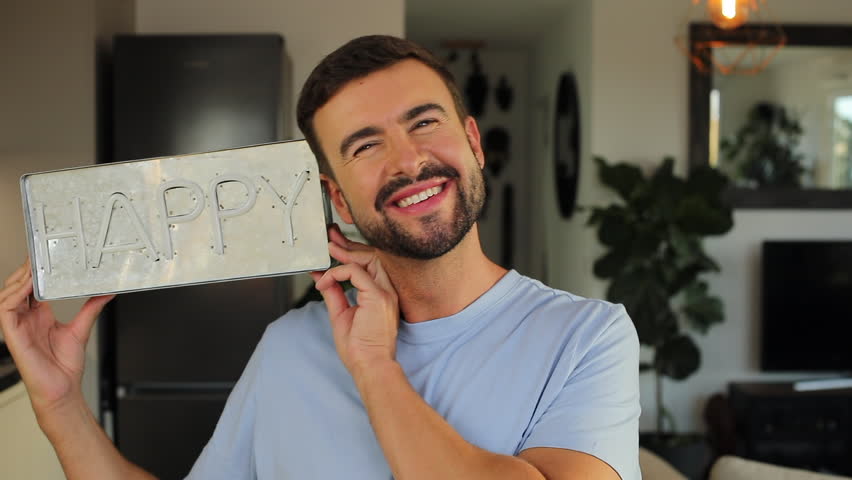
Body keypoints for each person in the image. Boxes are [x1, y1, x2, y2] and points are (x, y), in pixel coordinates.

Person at [0, 35, 640, 479]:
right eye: (365, 147)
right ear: (335, 195)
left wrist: (373, 367)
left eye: (424, 122)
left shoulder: (586, 337)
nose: (407, 160)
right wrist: (59, 404)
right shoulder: (288, 346)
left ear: (473, 142)